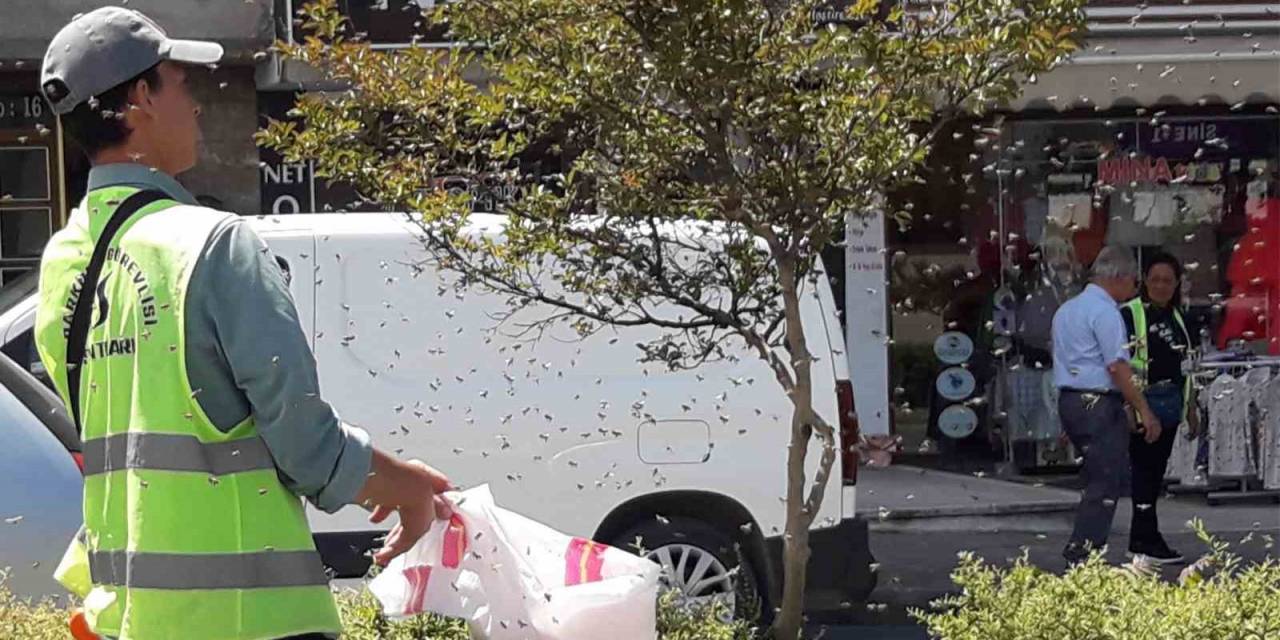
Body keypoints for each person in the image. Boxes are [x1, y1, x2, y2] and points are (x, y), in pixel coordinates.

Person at [35, 7, 452, 639]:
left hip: (125, 616)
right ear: (141, 98)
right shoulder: (212, 244)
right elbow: (303, 439)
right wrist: (407, 487)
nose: (196, 105)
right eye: (181, 83)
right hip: (250, 619)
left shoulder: (63, 261)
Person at [1052, 245, 1162, 566]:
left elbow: (1067, 362)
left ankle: (1086, 549)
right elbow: (1117, 367)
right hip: (1098, 401)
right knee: (1106, 481)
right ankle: (1084, 553)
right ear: (1119, 277)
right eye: (1133, 281)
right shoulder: (1105, 312)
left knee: (1096, 477)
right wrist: (1143, 409)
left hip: (1072, 400)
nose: (1134, 289)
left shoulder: (1067, 310)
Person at [1120, 253, 1192, 564]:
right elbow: (1120, 363)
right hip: (1144, 401)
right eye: (1155, 280)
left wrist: (1191, 407)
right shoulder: (1129, 314)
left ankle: (1145, 537)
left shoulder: (1178, 316)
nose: (1161, 286)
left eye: (1167, 280)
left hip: (1170, 402)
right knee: (1144, 471)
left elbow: (1185, 365)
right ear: (1144, 282)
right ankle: (1144, 539)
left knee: (1154, 471)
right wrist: (1130, 407)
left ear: (1177, 284)